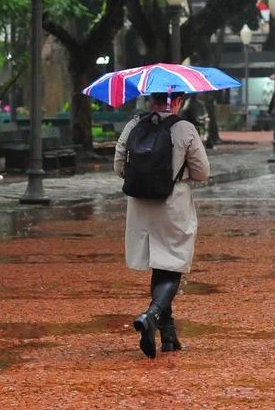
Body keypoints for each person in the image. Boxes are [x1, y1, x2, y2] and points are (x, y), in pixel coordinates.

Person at [114, 92, 210, 358]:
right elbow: (202, 172)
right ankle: (151, 316)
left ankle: (168, 337)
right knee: (174, 263)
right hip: (173, 204)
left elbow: (118, 167)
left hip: (140, 205)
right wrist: (180, 173)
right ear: (177, 101)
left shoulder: (133, 125)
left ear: (149, 100)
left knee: (159, 265)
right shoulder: (184, 128)